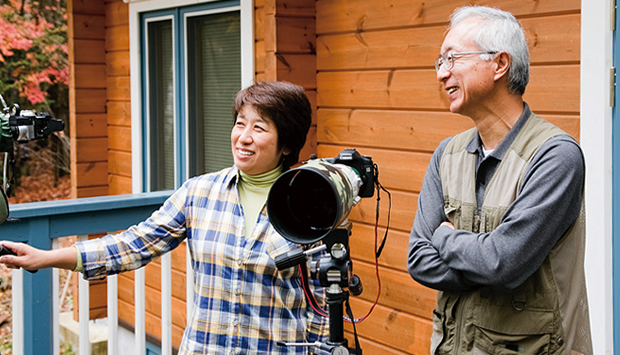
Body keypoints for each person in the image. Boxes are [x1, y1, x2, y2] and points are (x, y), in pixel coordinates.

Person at [0, 81, 329, 354]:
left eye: (259, 128)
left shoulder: (309, 207)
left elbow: (322, 309)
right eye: (240, 123)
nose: (243, 136)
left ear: (286, 144)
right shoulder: (200, 193)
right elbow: (133, 245)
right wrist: (45, 257)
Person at [407, 6, 592, 355]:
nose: (441, 74)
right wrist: (488, 259)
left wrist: (444, 236)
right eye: (439, 62)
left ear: (499, 64)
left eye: (452, 58)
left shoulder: (554, 156)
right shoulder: (447, 155)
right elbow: (419, 258)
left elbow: (503, 263)